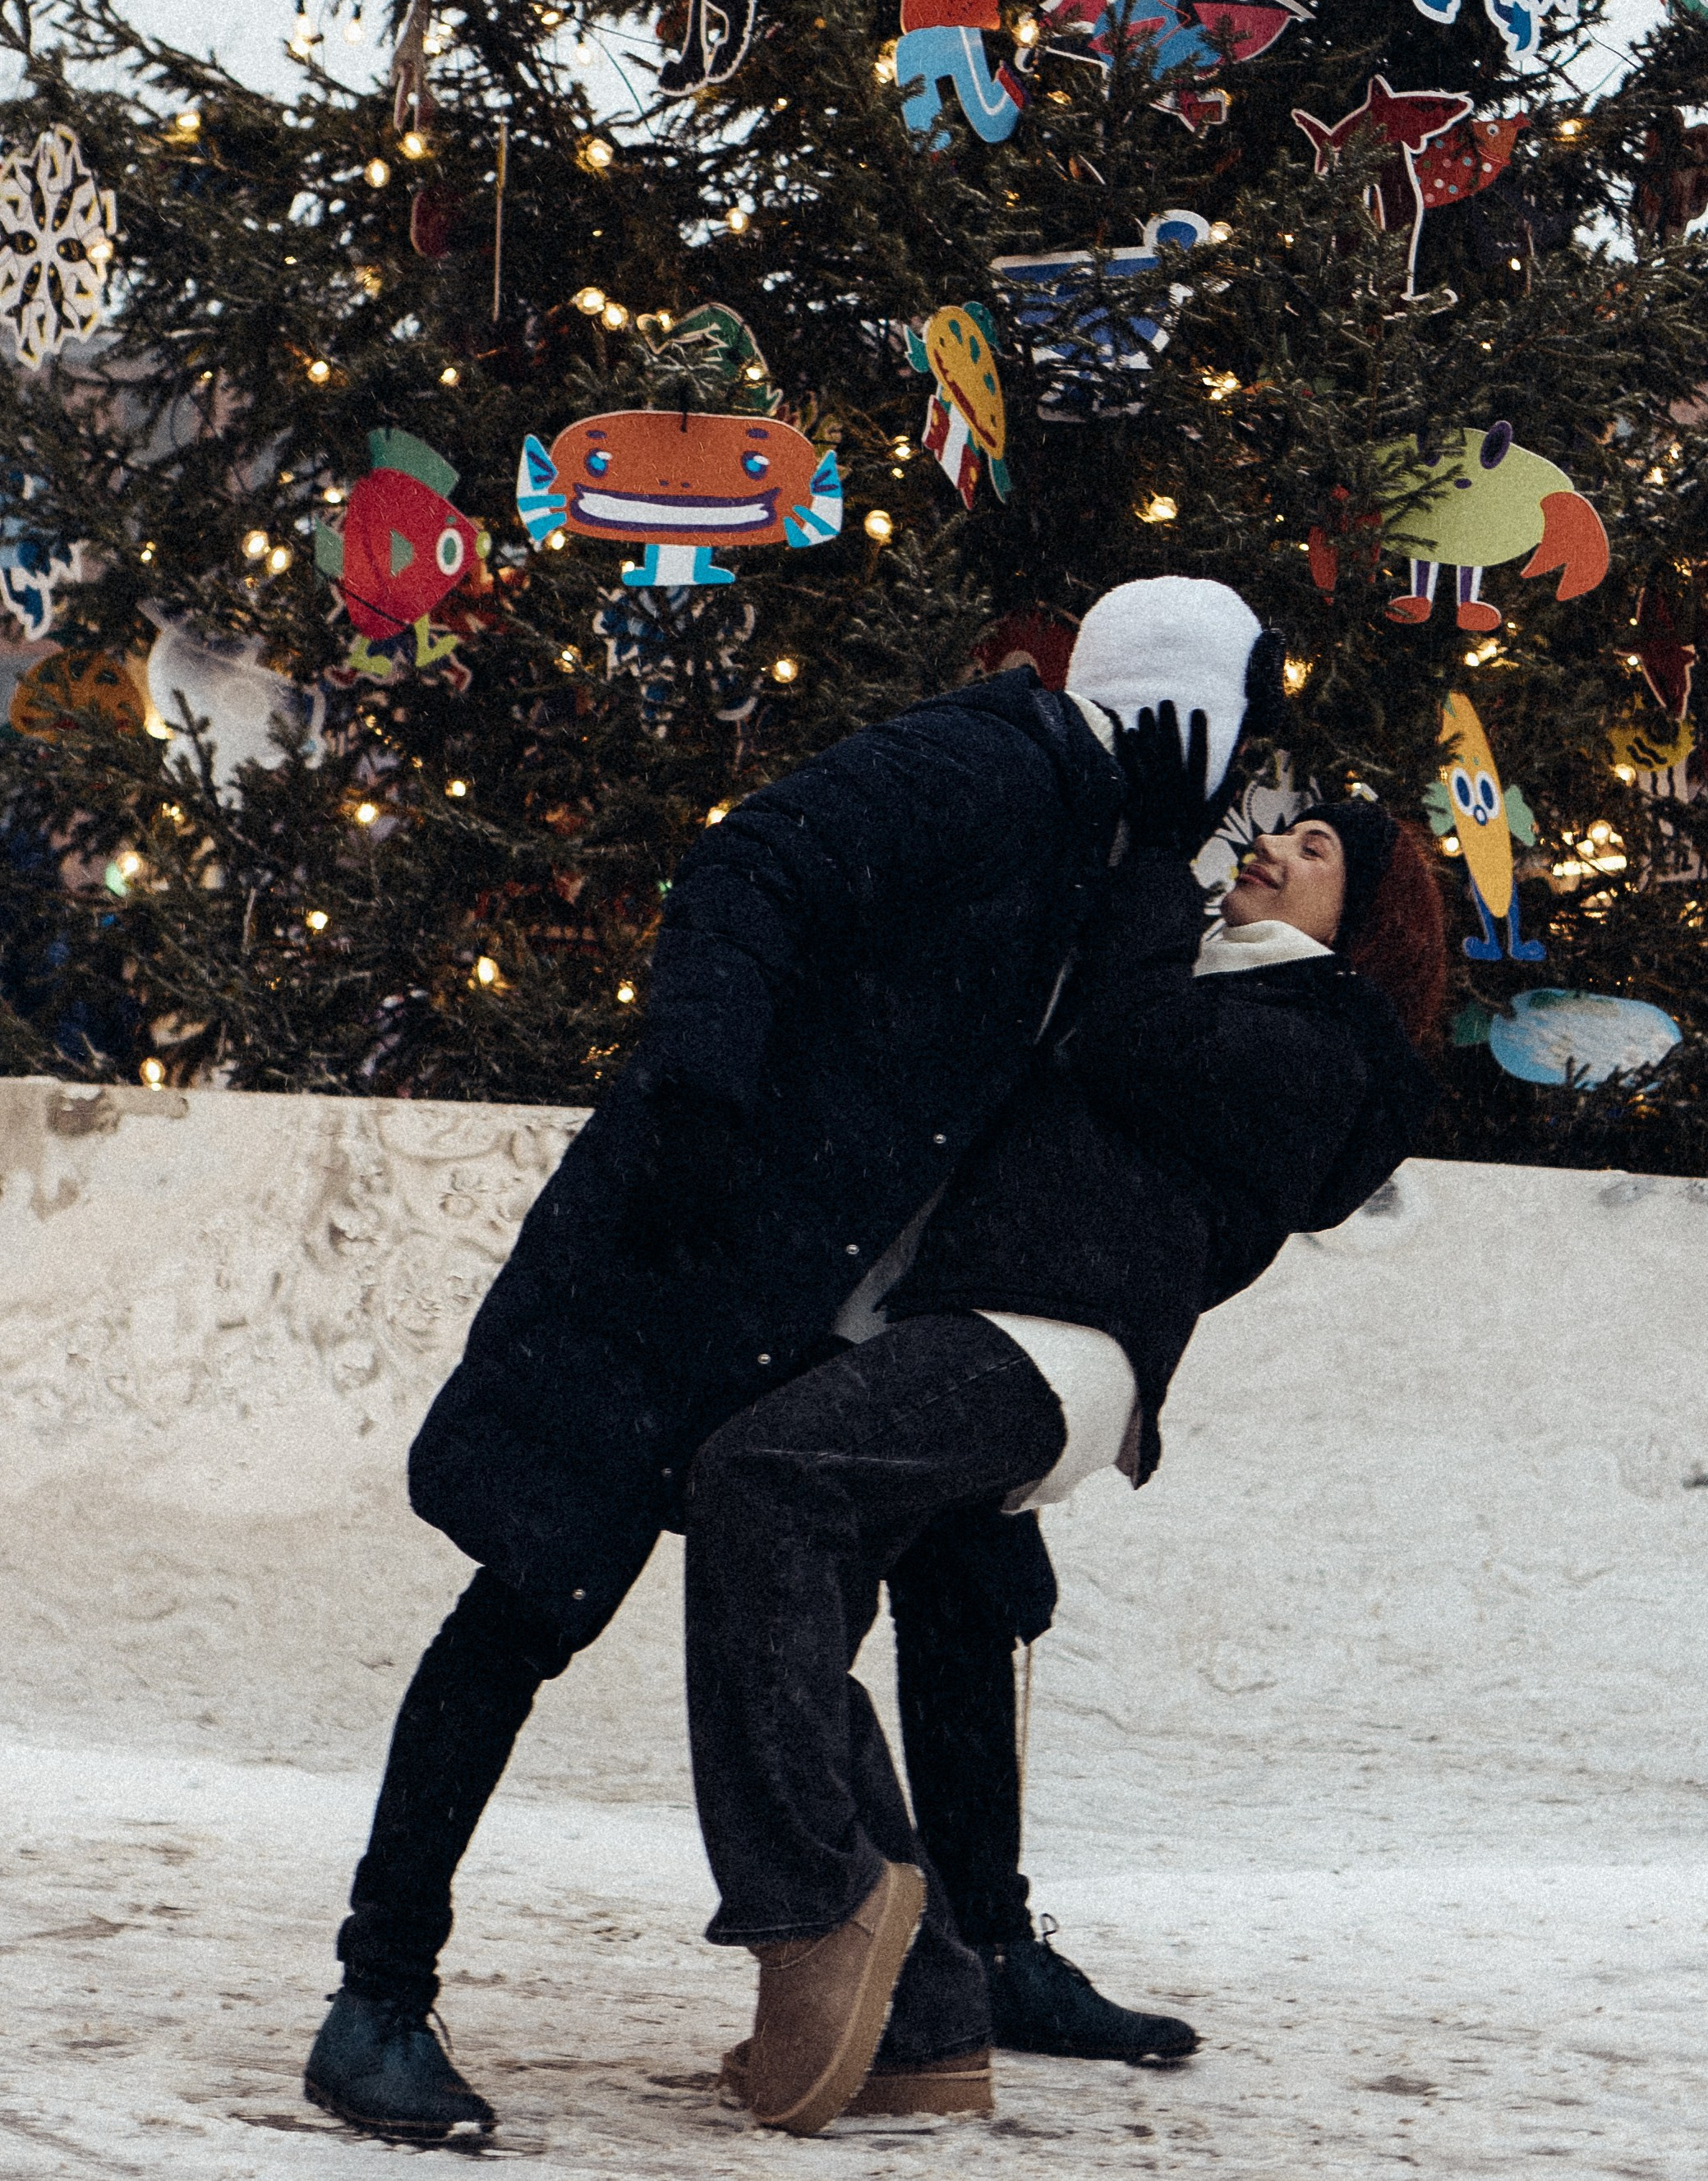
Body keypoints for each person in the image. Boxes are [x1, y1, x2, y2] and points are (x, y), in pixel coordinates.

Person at [303, 578, 1285, 2143]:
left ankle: (978, 1956)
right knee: (533, 1603)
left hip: (820, 1300)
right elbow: (751, 858)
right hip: (676, 1263)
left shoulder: (1106, 846)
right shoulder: (996, 761)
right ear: (1191, 705)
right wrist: (697, 1097)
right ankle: (375, 1996)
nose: (1247, 779)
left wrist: (1154, 864)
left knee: (963, 1577)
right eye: (1245, 728)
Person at [683, 746, 1446, 2135]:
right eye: (1280, 835)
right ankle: (923, 2015)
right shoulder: (1214, 982)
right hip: (986, 1324)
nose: (1270, 851)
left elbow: (1125, 1041)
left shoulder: (1329, 1039)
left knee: (759, 1477)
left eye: (1318, 851)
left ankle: (826, 1900)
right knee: (783, 1573)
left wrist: (1157, 861)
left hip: (1053, 1341)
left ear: (1371, 917)